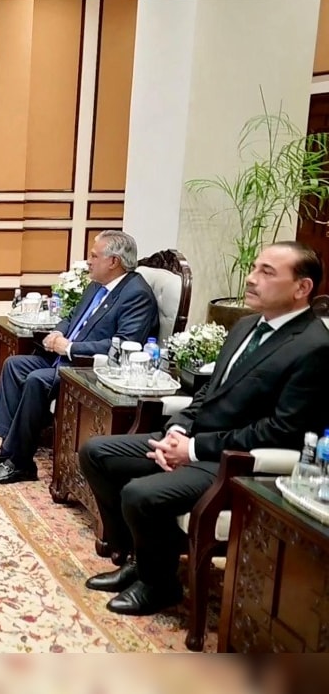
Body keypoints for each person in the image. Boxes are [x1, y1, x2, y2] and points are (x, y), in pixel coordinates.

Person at [79, 241, 329, 616]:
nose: (251, 278)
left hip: (234, 462)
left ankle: (159, 585)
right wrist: (177, 431)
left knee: (140, 494)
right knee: (96, 452)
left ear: (302, 288)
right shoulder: (246, 325)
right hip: (195, 441)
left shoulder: (312, 346)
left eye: (267, 272)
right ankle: (136, 557)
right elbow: (208, 392)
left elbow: (280, 430)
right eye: (254, 267)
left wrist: (194, 450)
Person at [0, 230, 159, 484]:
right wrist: (58, 332)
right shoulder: (97, 285)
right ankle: (7, 450)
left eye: (94, 256)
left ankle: (21, 463)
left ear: (113, 261)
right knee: (14, 365)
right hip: (63, 359)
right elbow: (72, 317)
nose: (88, 261)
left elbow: (124, 345)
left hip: (86, 369)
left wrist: (69, 348)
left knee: (38, 380)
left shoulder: (136, 294)